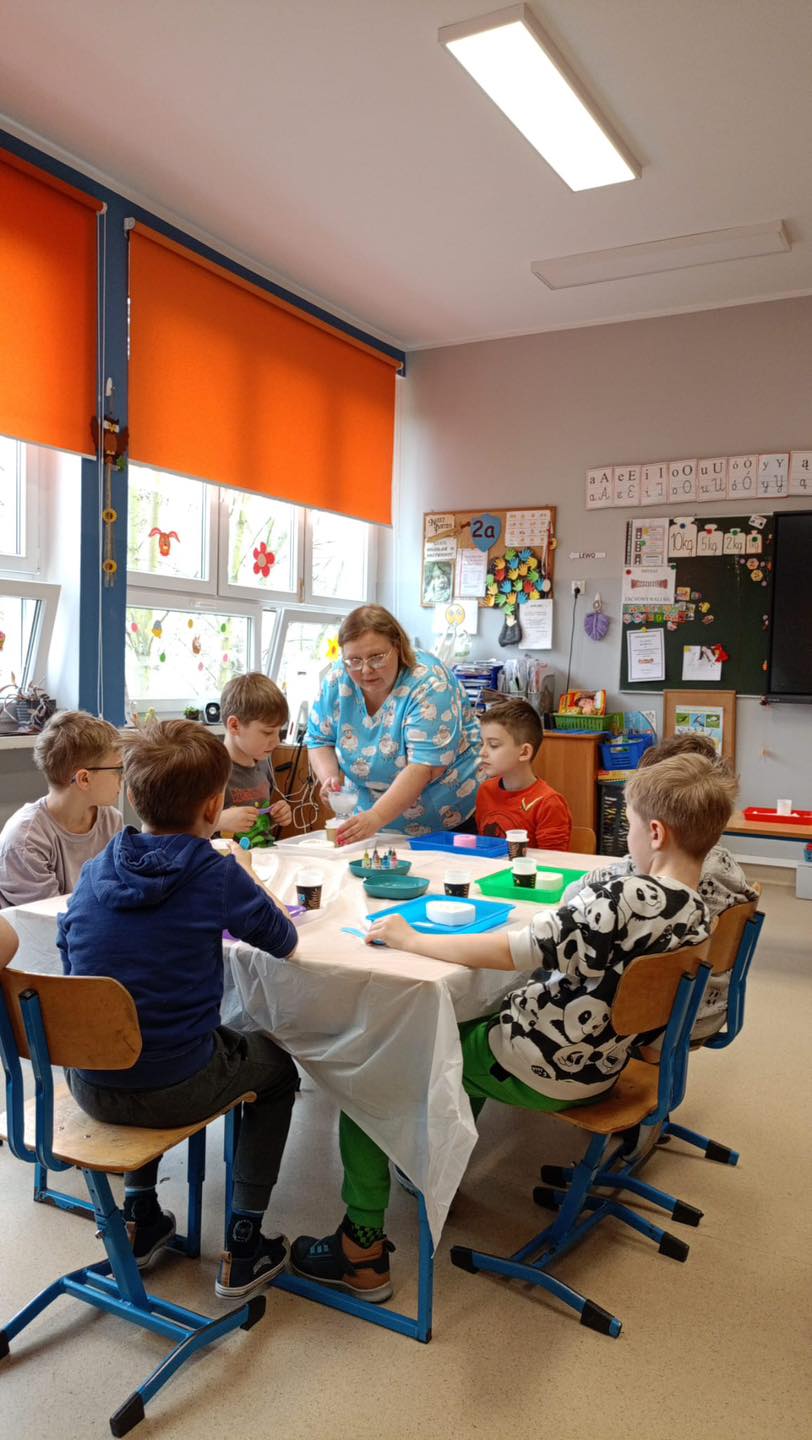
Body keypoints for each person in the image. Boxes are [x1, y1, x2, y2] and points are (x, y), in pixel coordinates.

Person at [290, 753, 735, 1300]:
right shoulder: (700, 912)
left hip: (541, 1063)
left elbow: (513, 950)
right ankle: (431, 1160)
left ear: (657, 833)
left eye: (632, 828)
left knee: (370, 1070)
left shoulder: (622, 897)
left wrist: (413, 939)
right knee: (463, 1021)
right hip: (601, 1065)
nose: (629, 840)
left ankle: (360, 1250)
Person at [58, 720, 299, 1299]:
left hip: (89, 1083)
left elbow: (73, 965)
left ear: (131, 796)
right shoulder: (213, 873)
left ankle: (140, 1216)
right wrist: (243, 873)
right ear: (214, 805)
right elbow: (284, 940)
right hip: (176, 1087)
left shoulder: (95, 872)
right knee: (277, 1070)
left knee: (138, 1035)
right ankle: (244, 1242)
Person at [561, 732, 757, 1038]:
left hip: (664, 1016)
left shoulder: (647, 883)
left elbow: (572, 896)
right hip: (712, 1004)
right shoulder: (723, 861)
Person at [307, 605, 481, 842]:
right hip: (368, 819)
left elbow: (424, 767)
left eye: (377, 657)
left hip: (443, 814)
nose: (366, 669)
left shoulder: (430, 683)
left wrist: (377, 816)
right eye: (354, 660)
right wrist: (330, 779)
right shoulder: (337, 680)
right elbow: (319, 739)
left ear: (397, 647)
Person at [0, 710, 124, 908]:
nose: (123, 777)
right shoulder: (26, 840)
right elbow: (49, 917)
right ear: (84, 779)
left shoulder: (111, 820)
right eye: (118, 769)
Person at [476, 698, 572, 851]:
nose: (482, 752)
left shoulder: (548, 804)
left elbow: (554, 862)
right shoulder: (485, 791)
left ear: (524, 752)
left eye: (493, 745)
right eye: (482, 743)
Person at [218, 672, 293, 838]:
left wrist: (275, 816)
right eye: (267, 732)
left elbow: (259, 821)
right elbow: (183, 828)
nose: (276, 741)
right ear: (235, 726)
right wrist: (219, 821)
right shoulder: (209, 770)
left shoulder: (262, 763)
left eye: (278, 731)